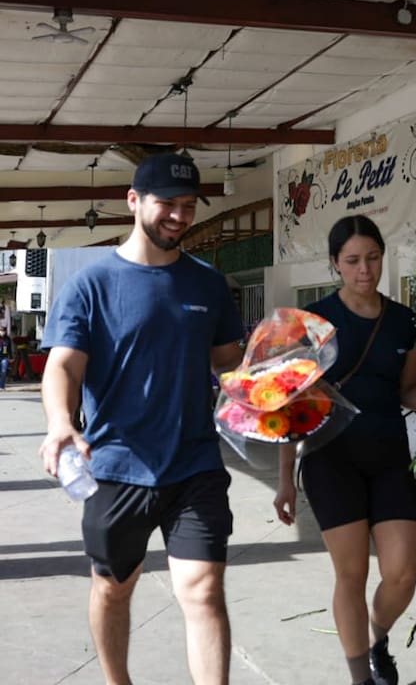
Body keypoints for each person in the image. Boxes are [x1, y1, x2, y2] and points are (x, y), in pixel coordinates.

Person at [38, 153, 244, 685]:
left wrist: (276, 379)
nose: (179, 216)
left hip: (194, 463)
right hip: (115, 466)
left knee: (203, 591)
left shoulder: (208, 285)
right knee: (113, 587)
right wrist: (61, 421)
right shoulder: (92, 285)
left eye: (188, 206)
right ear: (133, 201)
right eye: (167, 204)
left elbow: (228, 363)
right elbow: (63, 365)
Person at [273, 214, 416, 685]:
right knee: (352, 576)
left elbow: (407, 390)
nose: (365, 270)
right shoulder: (312, 323)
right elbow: (290, 405)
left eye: (373, 258)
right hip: (329, 460)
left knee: (402, 576)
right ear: (335, 263)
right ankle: (361, 677)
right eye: (353, 261)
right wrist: (284, 480)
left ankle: (377, 634)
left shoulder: (405, 321)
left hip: (388, 459)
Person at [0, 325, 12, 389]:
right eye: (1, 331)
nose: (2, 332)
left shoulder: (7, 339)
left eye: (3, 331)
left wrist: (11, 357)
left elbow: (9, 349)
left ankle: (2, 386)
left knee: (4, 371)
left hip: (4, 357)